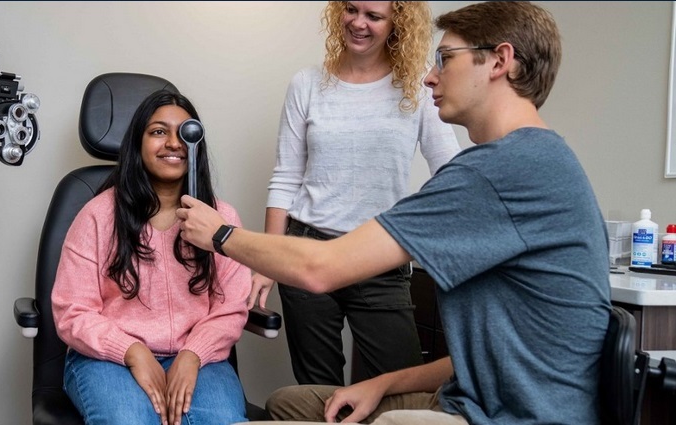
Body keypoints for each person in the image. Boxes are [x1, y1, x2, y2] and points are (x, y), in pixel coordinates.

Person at [178, 2, 611, 424]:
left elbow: (321, 269)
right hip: (478, 393)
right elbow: (485, 354)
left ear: (500, 61)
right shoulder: (536, 157)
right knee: (291, 402)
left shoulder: (495, 172)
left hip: (510, 414)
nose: (430, 76)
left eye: (446, 58)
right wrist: (382, 384)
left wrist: (221, 234)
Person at [252, 0, 460, 387]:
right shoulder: (307, 83)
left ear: (397, 22)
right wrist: (266, 262)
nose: (358, 23)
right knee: (317, 391)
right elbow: (286, 177)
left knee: (401, 388)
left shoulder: (417, 85)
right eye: (351, 10)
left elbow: (452, 173)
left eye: (374, 16)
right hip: (307, 250)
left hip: (378, 255)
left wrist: (421, 233)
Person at [52, 90, 251, 425]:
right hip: (108, 357)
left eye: (184, 133)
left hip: (199, 358)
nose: (173, 143)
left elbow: (231, 307)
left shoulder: (222, 219)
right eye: (158, 132)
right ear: (138, 143)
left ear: (196, 143)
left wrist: (193, 354)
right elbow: (72, 310)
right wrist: (131, 351)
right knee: (128, 419)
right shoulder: (97, 215)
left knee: (222, 419)